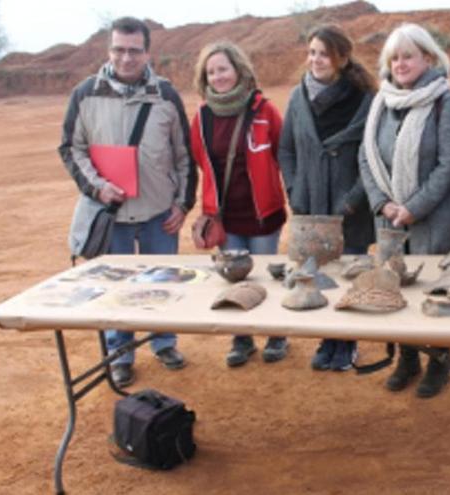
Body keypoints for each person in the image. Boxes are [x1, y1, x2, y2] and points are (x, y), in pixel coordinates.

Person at [58, 17, 196, 388]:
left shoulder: (166, 95)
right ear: (109, 50)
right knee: (115, 290)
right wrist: (98, 187)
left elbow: (185, 156)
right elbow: (72, 149)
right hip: (110, 214)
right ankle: (120, 353)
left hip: (158, 213)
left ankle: (164, 342)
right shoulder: (85, 94)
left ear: (148, 52)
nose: (127, 58)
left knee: (163, 283)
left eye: (135, 50)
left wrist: (182, 204)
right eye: (119, 49)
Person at [359, 23, 450, 398]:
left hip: (435, 218)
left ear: (428, 57)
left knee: (433, 288)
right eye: (395, 57)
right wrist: (382, 203)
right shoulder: (381, 102)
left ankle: (439, 363)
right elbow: (366, 156)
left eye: (408, 55)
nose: (401, 63)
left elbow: (449, 165)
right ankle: (407, 359)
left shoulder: (445, 102)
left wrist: (413, 208)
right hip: (389, 218)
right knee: (396, 287)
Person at [279, 25, 377, 372]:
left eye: (323, 53)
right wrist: (294, 190)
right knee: (317, 276)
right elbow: (286, 149)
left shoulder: (365, 100)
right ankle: (326, 340)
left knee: (347, 277)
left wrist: (351, 201)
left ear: (342, 58)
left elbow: (372, 157)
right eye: (311, 52)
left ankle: (346, 343)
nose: (315, 60)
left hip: (350, 208)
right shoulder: (297, 98)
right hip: (310, 208)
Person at [189, 41, 290, 368]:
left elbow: (282, 153)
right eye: (212, 71)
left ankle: (276, 335)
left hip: (263, 213)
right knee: (233, 278)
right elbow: (201, 160)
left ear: (238, 70)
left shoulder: (264, 110)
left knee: (264, 276)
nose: (218, 76)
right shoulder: (202, 117)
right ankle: (242, 339)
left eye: (223, 69)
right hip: (226, 217)